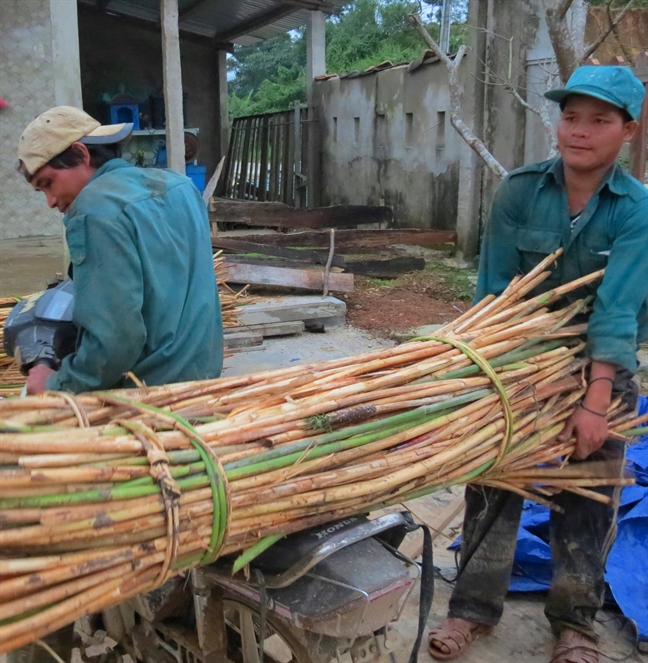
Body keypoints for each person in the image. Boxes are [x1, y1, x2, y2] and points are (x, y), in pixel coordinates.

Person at [428, 66, 648, 663]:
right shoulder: (519, 190)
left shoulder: (636, 210)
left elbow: (616, 311)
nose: (579, 131)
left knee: (592, 490)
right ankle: (471, 610)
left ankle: (575, 622)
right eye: (570, 117)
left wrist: (595, 402)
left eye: (599, 120)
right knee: (493, 479)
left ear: (627, 130)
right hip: (518, 357)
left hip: (599, 361)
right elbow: (494, 292)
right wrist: (489, 377)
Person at [17, 106, 223, 395]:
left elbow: (114, 339)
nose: (50, 201)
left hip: (143, 396)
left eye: (48, 184)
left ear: (81, 154)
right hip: (203, 381)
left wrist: (55, 384)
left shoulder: (94, 210)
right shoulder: (180, 186)